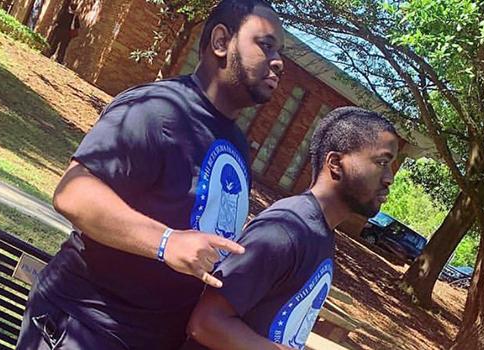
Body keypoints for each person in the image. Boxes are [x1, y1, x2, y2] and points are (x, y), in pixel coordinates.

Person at [15, 1, 285, 349]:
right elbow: (73, 192)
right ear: (221, 42)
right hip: (87, 326)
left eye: (280, 52)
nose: (278, 61)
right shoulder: (156, 109)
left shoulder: (235, 144)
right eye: (266, 45)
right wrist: (166, 241)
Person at [183, 107, 400, 350]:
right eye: (381, 162)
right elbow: (206, 323)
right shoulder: (284, 230)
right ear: (336, 163)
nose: (389, 178)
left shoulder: (320, 233)